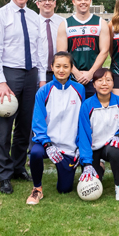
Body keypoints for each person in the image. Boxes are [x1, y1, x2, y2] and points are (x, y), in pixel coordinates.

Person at [0, 0, 47, 195]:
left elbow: (40, 50)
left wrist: (41, 78)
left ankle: (17, 166)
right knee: (4, 127)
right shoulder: (0, 16)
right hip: (9, 75)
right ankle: (4, 175)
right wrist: (1, 81)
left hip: (31, 74)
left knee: (25, 126)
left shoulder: (35, 17)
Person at [26, 52, 85, 205]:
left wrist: (79, 146)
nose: (61, 70)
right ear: (51, 67)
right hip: (47, 144)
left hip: (68, 146)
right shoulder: (43, 91)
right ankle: (37, 189)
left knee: (64, 189)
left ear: (72, 68)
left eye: (66, 66)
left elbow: (81, 120)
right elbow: (37, 123)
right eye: (57, 66)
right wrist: (47, 145)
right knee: (35, 153)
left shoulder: (80, 90)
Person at [77, 68, 119, 201]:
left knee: (115, 151)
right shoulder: (87, 105)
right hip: (93, 148)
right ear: (94, 84)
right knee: (94, 181)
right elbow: (83, 135)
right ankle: (98, 166)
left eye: (108, 80)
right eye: (100, 80)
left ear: (113, 83)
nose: (104, 84)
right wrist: (87, 163)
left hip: (110, 146)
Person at [57, 0, 110, 99]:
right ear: (74, 2)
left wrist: (91, 73)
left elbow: (104, 51)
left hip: (95, 77)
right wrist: (76, 73)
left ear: (90, 1)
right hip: (72, 78)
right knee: (72, 113)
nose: (83, 2)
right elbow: (62, 53)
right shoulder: (65, 24)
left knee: (93, 112)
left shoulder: (101, 23)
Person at [36, 0, 65, 83]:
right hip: (38, 73)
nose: (47, 3)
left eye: (50, 0)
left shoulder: (63, 23)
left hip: (60, 73)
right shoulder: (31, 23)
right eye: (43, 0)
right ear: (38, 4)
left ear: (55, 3)